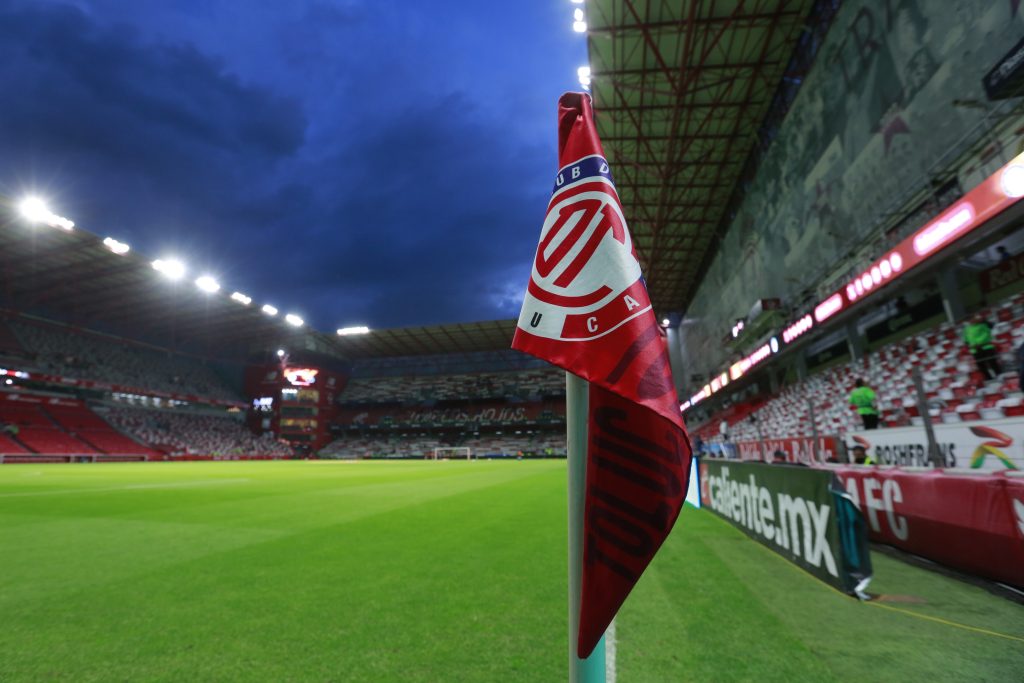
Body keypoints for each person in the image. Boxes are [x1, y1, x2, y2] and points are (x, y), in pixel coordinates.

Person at [964, 314, 1001, 381]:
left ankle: (1000, 376)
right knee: (980, 365)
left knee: (992, 362)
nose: (971, 321)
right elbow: (966, 339)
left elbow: (986, 334)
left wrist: (979, 343)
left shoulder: (983, 325)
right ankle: (988, 378)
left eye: (972, 319)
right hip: (975, 350)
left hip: (986, 346)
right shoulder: (967, 329)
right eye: (969, 320)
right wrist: (969, 345)